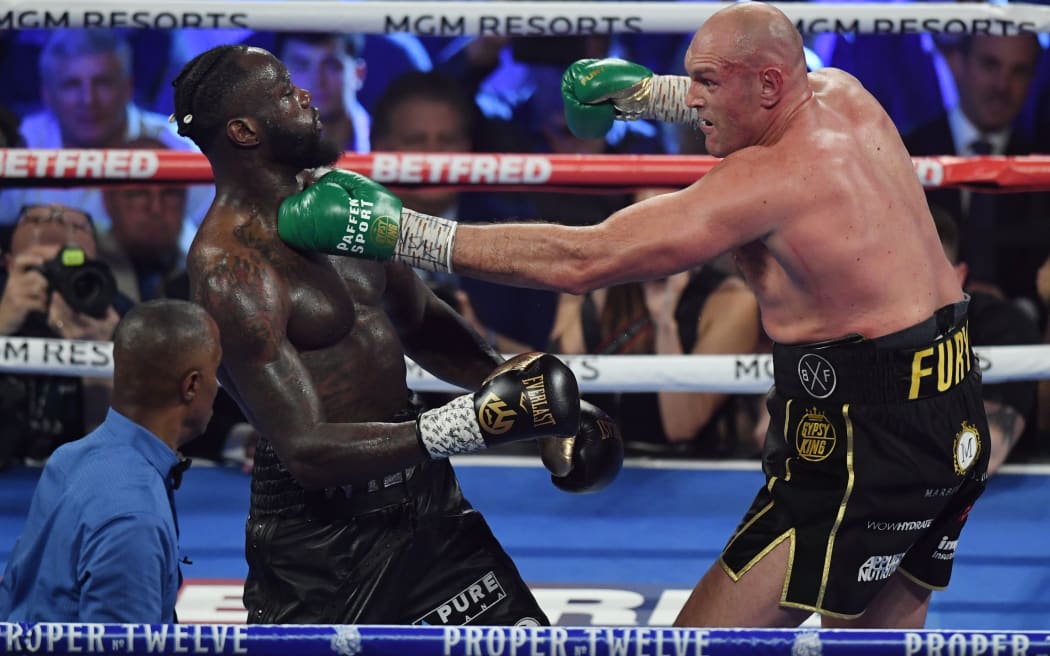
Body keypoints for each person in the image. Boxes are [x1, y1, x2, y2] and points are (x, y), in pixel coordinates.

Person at [284, 2, 992, 629]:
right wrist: (645, 96)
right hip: (950, 411)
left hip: (861, 441)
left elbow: (584, 259)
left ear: (770, 84)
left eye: (706, 82)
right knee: (872, 640)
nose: (694, 97)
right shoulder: (845, 94)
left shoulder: (768, 181)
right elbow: (758, 94)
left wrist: (399, 233)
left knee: (697, 643)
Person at [170, 44, 622, 625]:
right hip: (325, 544)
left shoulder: (340, 201)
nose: (305, 95)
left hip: (429, 504)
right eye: (284, 92)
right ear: (243, 130)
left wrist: (520, 397)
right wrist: (475, 423)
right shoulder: (231, 271)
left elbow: (418, 318)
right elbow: (306, 450)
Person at [0, 299, 221, 622]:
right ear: (192, 385)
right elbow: (119, 643)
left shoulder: (68, 459)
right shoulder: (134, 517)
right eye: (216, 371)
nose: (218, 386)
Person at [547, 265, 761, 458]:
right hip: (590, 461)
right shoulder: (589, 287)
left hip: (685, 470)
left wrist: (665, 323)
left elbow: (680, 427)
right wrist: (593, 300)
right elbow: (553, 405)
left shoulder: (732, 299)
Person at [903, 34, 1049, 313]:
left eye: (1019, 71)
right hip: (923, 321)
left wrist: (1019, 310)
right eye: (990, 64)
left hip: (1021, 327)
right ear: (958, 63)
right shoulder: (906, 153)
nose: (1002, 85)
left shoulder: (1042, 165)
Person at [0, 204, 126, 469]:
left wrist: (100, 358)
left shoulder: (123, 319)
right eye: (41, 269)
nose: (57, 281)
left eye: (72, 267)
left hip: (81, 479)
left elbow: (115, 460)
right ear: (9, 265)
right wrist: (2, 325)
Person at [930, 204, 1041, 475]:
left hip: (994, 495)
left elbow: (983, 452)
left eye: (926, 275)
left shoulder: (1004, 327)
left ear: (959, 276)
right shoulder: (859, 334)